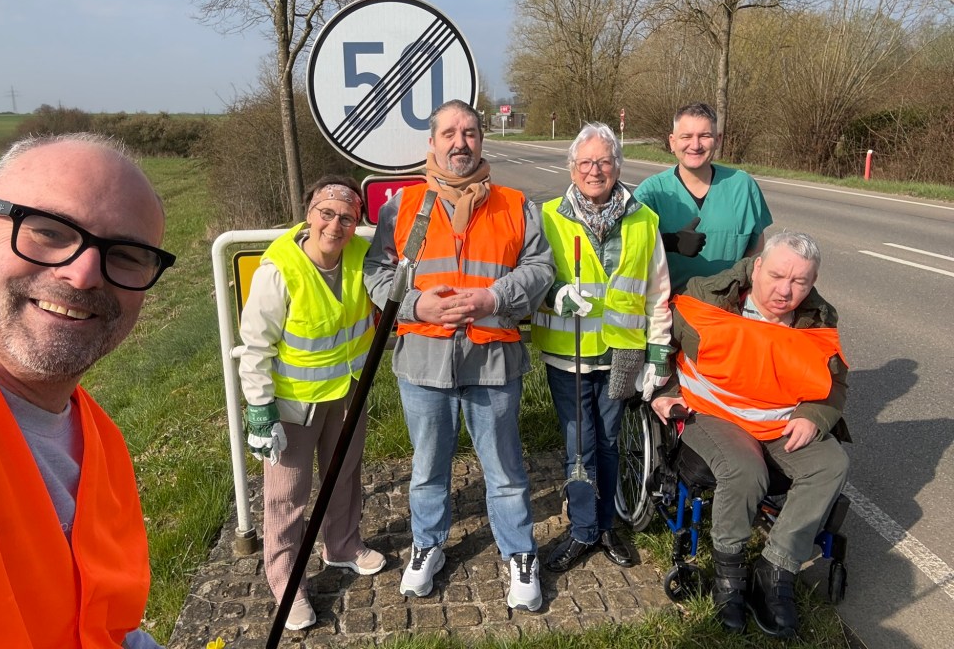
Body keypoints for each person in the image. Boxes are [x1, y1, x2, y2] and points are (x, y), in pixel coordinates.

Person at [0, 134, 175, 648]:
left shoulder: (101, 444)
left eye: (127, 255)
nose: (83, 275)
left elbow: (104, 630)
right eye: (48, 231)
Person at [363, 99, 554, 611]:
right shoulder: (402, 206)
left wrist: (494, 298)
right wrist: (416, 303)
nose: (459, 142)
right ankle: (428, 545)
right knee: (427, 467)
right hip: (423, 361)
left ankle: (519, 552)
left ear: (481, 140)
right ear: (432, 143)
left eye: (469, 132)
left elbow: (540, 268)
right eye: (449, 133)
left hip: (493, 362)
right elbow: (376, 273)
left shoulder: (515, 204)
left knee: (505, 470)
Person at [651, 231, 850, 639]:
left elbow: (834, 383)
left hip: (779, 422)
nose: (785, 291)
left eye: (800, 282)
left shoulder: (818, 318)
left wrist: (814, 416)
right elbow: (660, 344)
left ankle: (775, 568)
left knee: (831, 464)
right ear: (756, 267)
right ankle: (729, 569)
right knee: (745, 471)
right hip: (714, 415)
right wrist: (665, 391)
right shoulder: (707, 298)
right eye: (777, 276)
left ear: (813, 282)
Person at [238, 175, 384, 632]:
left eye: (347, 218)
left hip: (347, 390)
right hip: (293, 404)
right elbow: (255, 345)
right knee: (287, 495)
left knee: (345, 473)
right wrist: (259, 409)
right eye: (326, 213)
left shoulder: (362, 255)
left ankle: (342, 545)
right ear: (309, 214)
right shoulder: (279, 269)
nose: (335, 225)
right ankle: (287, 582)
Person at [530, 123, 673, 573]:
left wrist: (658, 354)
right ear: (572, 168)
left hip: (621, 355)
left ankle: (608, 525)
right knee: (580, 446)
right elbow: (529, 276)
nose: (595, 170)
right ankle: (583, 529)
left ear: (618, 167)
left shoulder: (644, 219)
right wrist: (553, 295)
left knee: (609, 444)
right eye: (586, 162)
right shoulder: (547, 216)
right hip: (568, 354)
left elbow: (657, 294)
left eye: (604, 162)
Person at [634, 102, 773, 293]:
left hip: (727, 306)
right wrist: (668, 242)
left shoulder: (742, 186)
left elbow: (756, 246)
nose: (695, 145)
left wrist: (740, 290)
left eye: (704, 136)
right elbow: (628, 248)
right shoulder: (650, 193)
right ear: (672, 142)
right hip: (670, 306)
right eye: (686, 136)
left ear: (718, 140)